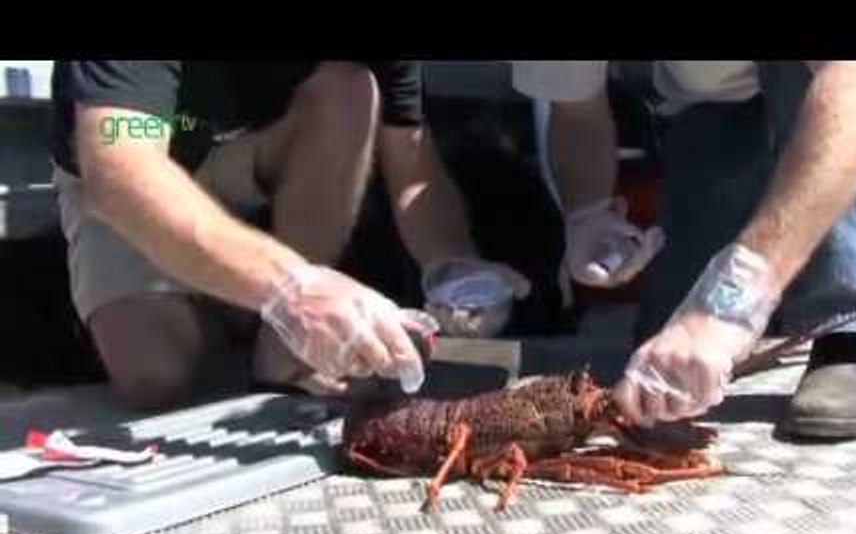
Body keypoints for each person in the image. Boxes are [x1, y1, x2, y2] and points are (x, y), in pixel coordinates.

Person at [52, 61, 530, 410]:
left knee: (350, 89)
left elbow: (410, 161)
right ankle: (245, 306)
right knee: (155, 377)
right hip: (140, 170)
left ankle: (281, 349)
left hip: (255, 154)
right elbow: (119, 170)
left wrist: (451, 266)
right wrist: (287, 287)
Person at [514, 61, 856, 439]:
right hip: (713, 99)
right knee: (670, 362)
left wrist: (731, 300)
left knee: (806, 81)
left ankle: (848, 334)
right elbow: (574, 112)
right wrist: (588, 214)